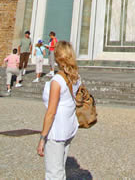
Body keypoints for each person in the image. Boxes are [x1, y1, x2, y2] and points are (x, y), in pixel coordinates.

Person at [37, 40, 81, 178]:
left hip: (56, 131)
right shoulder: (76, 77)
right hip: (69, 128)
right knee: (59, 169)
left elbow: (51, 112)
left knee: (53, 173)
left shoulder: (57, 81)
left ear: (57, 58)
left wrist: (42, 137)